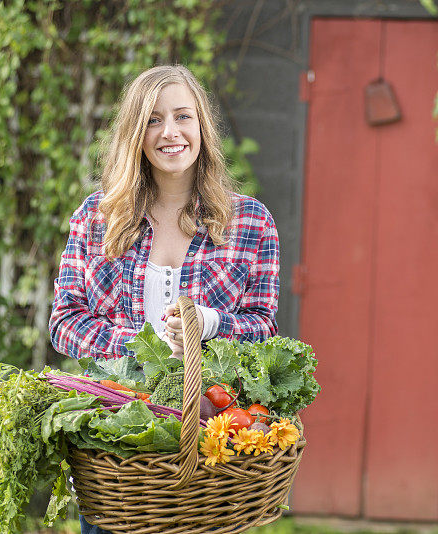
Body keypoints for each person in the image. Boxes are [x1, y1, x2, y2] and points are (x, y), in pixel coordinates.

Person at [48, 64, 280, 534]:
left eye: (182, 117)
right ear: (135, 132)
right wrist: (144, 341)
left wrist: (211, 324)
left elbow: (264, 326)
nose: (170, 132)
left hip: (211, 445)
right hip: (117, 452)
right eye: (153, 119)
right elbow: (64, 322)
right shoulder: (97, 217)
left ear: (202, 127)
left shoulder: (251, 222)